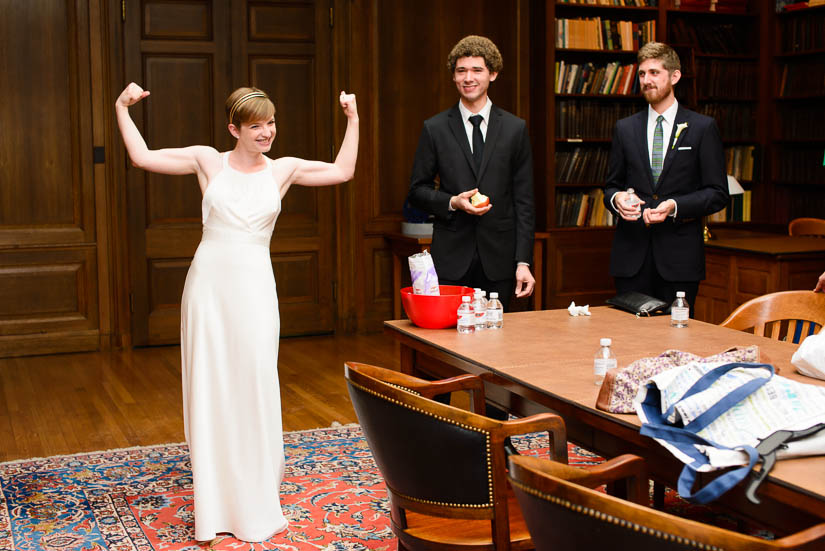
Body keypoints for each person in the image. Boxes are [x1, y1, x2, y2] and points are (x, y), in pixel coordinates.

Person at [115, 83, 358, 542]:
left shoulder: (283, 169)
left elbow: (343, 171)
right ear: (234, 129)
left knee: (255, 377)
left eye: (270, 123)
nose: (266, 132)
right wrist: (121, 109)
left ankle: (255, 489)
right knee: (211, 382)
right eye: (255, 126)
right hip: (209, 286)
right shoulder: (209, 160)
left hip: (254, 286)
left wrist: (353, 117)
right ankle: (216, 498)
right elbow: (142, 157)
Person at [407, 35, 535, 312]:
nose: (468, 78)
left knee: (499, 344)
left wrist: (523, 262)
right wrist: (452, 202)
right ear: (453, 77)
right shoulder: (435, 128)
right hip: (452, 257)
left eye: (477, 70)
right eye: (461, 70)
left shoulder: (515, 129)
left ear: (493, 73)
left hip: (500, 259)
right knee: (451, 341)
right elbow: (417, 190)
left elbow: (524, 201)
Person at [603, 42, 729, 312]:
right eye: (642, 74)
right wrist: (618, 200)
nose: (646, 81)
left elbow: (718, 193)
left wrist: (675, 206)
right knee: (630, 341)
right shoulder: (625, 128)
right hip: (631, 257)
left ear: (675, 76)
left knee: (676, 340)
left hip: (680, 260)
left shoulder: (702, 128)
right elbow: (611, 185)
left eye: (654, 73)